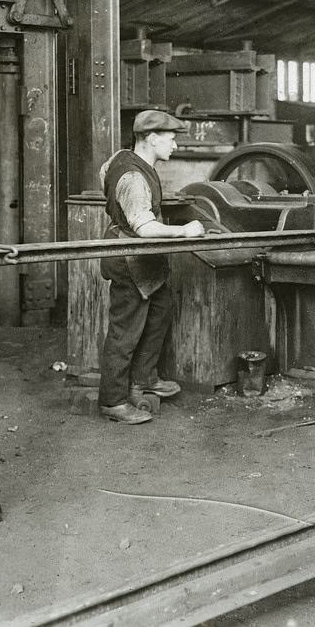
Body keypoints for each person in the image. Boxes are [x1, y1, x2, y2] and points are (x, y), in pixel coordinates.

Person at [97, 110, 206, 424]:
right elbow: (144, 228)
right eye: (170, 139)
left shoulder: (121, 158)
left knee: (159, 312)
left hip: (144, 259)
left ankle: (144, 379)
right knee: (125, 332)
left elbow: (104, 175)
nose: (174, 146)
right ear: (152, 138)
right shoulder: (133, 177)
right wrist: (185, 231)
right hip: (129, 257)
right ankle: (114, 401)